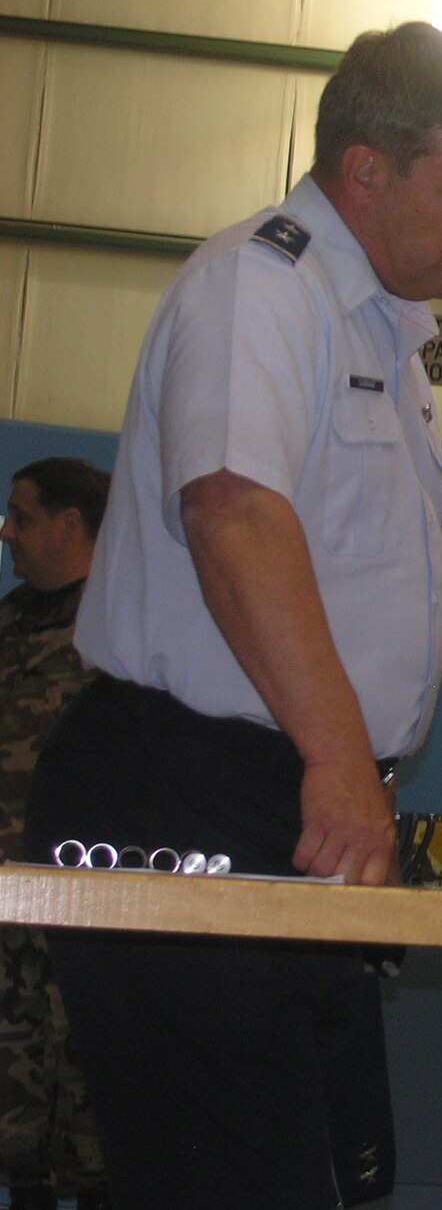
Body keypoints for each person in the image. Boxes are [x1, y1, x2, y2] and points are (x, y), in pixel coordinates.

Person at [25, 21, 442, 1209]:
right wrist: (341, 760)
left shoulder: (383, 337)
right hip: (191, 787)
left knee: (336, 1178)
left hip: (294, 797)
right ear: (367, 171)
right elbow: (234, 515)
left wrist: (349, 775)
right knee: (238, 1180)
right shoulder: (265, 286)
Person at [0, 459, 108, 1210]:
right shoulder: (6, 625)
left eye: (21, 515)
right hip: (7, 924)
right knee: (16, 1126)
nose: (7, 531)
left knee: (98, 1123)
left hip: (92, 919)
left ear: (71, 524)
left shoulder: (123, 631)